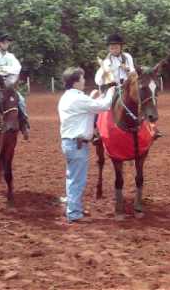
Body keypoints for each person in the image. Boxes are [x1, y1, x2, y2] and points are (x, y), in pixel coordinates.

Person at [58, 67, 114, 223]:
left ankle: (74, 207)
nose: (84, 81)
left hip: (71, 143)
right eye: (82, 78)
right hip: (77, 145)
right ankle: (74, 213)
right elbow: (103, 106)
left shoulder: (68, 97)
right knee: (77, 179)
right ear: (75, 82)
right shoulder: (78, 98)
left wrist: (97, 96)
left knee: (73, 177)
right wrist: (111, 91)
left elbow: (91, 106)